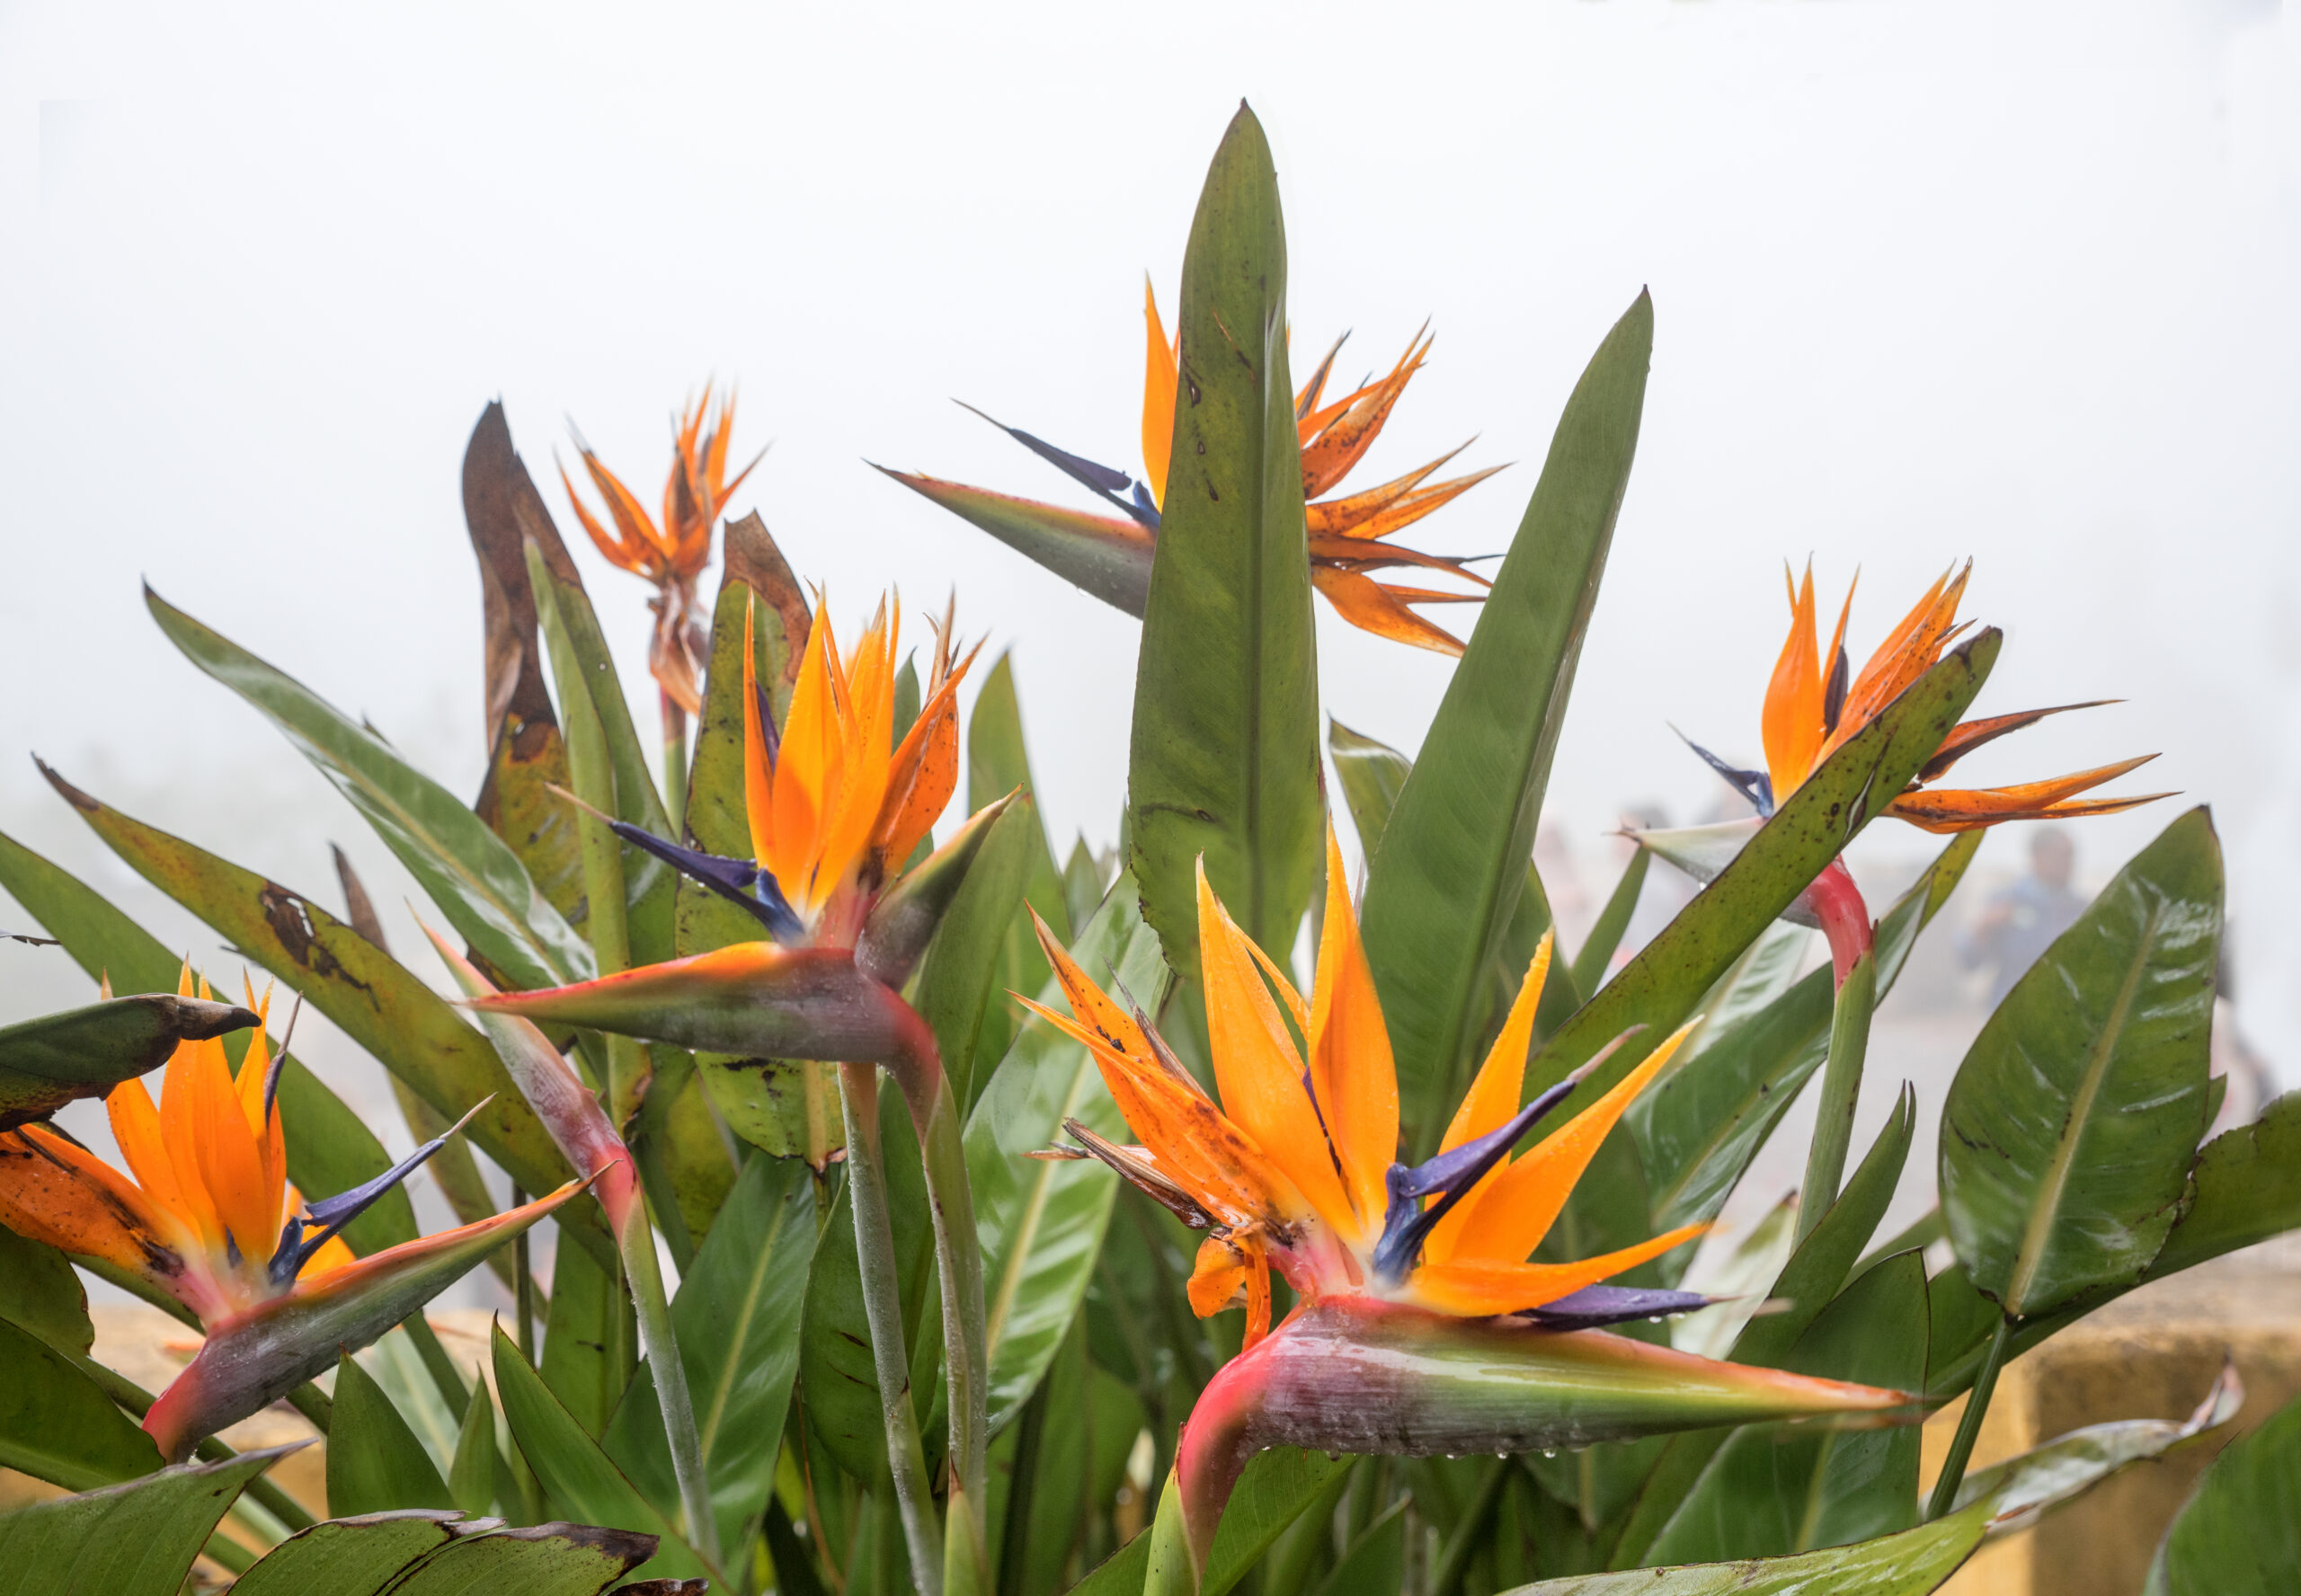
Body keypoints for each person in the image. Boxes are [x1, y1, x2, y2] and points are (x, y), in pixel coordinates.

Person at [1960, 827, 2085, 1008]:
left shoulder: (2080, 908)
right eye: (2061, 855)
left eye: (2070, 856)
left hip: (2063, 1012)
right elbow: (1968, 960)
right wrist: (1984, 928)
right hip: (2012, 1013)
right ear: (2038, 857)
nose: (2068, 863)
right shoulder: (2006, 901)